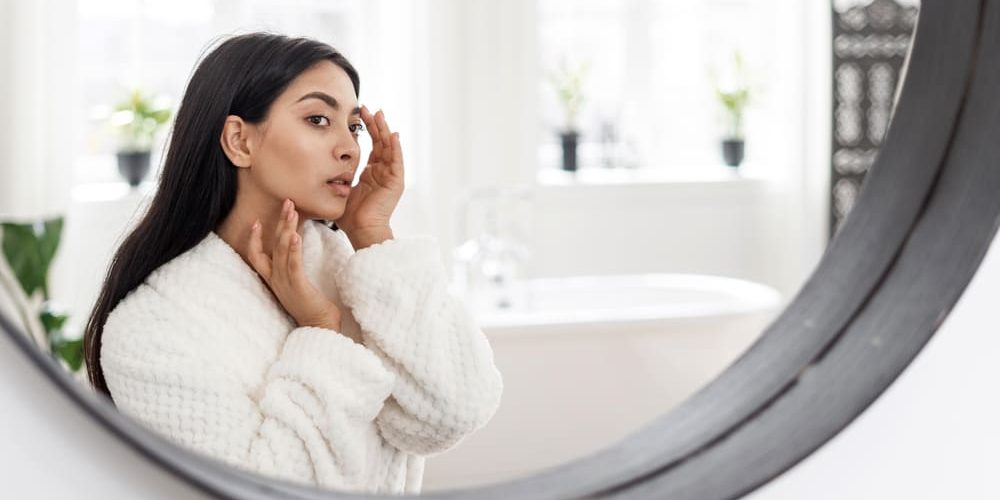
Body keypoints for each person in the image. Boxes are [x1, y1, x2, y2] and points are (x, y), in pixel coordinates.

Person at [82, 32, 503, 495]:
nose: (349, 148)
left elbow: (455, 411)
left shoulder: (350, 271)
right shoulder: (152, 329)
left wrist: (373, 234)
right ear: (239, 140)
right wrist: (323, 329)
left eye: (354, 126)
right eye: (318, 119)